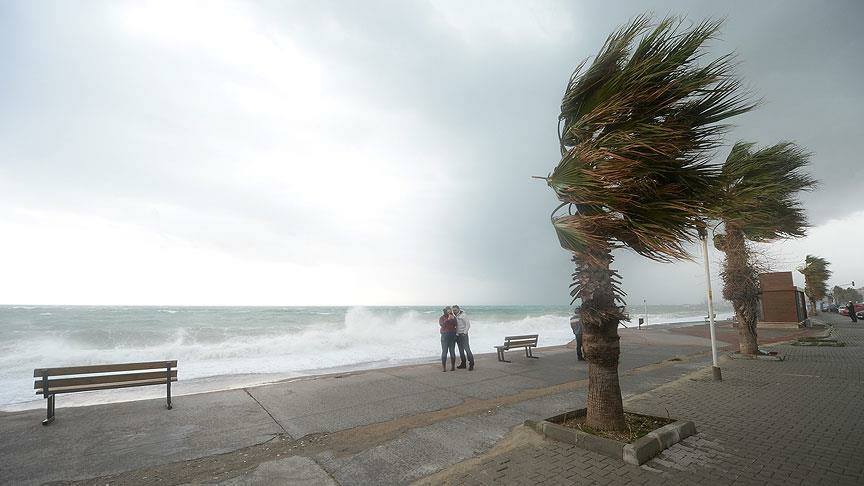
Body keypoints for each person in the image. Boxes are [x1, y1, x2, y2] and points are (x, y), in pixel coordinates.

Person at [452, 305, 474, 371]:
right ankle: (463, 364)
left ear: (458, 309)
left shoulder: (463, 315)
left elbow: (468, 325)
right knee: (461, 351)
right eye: (453, 310)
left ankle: (471, 364)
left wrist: (464, 333)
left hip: (463, 335)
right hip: (458, 335)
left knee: (467, 350)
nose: (454, 311)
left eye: (455, 310)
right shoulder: (456, 316)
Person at [439, 307, 458, 371]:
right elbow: (442, 325)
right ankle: (447, 367)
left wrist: (452, 319)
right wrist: (449, 319)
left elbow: (456, 324)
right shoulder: (443, 317)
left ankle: (450, 367)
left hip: (448, 335)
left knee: (448, 351)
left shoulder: (451, 317)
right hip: (448, 335)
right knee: (447, 351)